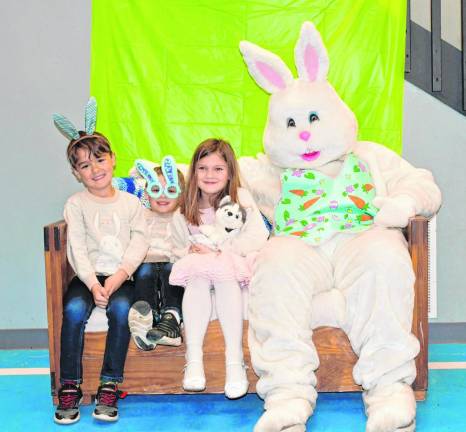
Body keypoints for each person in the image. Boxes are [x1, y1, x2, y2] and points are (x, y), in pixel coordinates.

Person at [52, 99, 148, 424]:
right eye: (84, 165)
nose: (95, 169)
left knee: (121, 310)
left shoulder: (132, 203)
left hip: (122, 277)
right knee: (74, 310)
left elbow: (140, 242)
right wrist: (93, 283)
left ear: (113, 159)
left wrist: (119, 277)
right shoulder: (76, 204)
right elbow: (76, 247)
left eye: (99, 159)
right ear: (76, 173)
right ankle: (70, 385)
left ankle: (109, 384)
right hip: (87, 276)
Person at [168, 138, 269, 399]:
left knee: (221, 269)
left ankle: (234, 362)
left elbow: (257, 237)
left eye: (218, 169)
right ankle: (194, 360)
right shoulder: (184, 207)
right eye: (203, 168)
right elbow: (175, 247)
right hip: (199, 273)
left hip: (231, 267)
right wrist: (189, 251)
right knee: (199, 276)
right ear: (194, 172)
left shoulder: (241, 199)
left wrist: (221, 250)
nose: (210, 175)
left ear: (230, 172)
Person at [127, 158, 186, 351]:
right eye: (155, 189)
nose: (162, 196)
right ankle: (146, 315)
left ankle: (171, 316)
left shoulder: (183, 216)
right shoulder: (140, 214)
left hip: (172, 261)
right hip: (145, 261)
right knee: (144, 272)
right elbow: (133, 174)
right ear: (146, 193)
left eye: (170, 190)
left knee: (173, 272)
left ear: (181, 195)